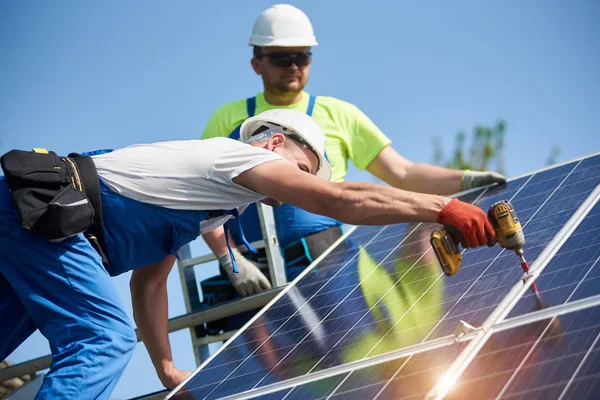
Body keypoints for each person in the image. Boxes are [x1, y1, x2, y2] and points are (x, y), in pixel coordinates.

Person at [0, 109, 494, 398]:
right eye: (303, 167)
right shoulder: (237, 156)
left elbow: (149, 283)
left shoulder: (210, 207)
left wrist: (167, 369)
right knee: (104, 339)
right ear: (275, 142)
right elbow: (339, 199)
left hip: (33, 229)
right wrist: (441, 206)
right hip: (41, 222)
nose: (299, 182)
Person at [200, 4, 506, 296]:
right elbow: (203, 196)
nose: (293, 65)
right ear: (257, 63)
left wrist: (466, 179)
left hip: (328, 259)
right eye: (282, 58)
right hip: (253, 266)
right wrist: (230, 258)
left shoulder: (340, 114)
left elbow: (404, 173)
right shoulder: (228, 118)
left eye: (302, 56)